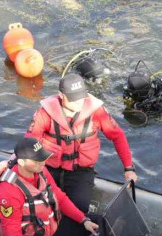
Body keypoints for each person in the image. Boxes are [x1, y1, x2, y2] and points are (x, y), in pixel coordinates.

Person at [25, 73, 137, 218]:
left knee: (79, 209)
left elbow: (117, 135)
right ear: (61, 95)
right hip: (49, 170)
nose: (79, 103)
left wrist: (128, 168)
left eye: (81, 97)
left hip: (80, 172)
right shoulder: (45, 113)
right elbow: (29, 142)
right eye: (73, 99)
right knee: (41, 208)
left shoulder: (96, 111)